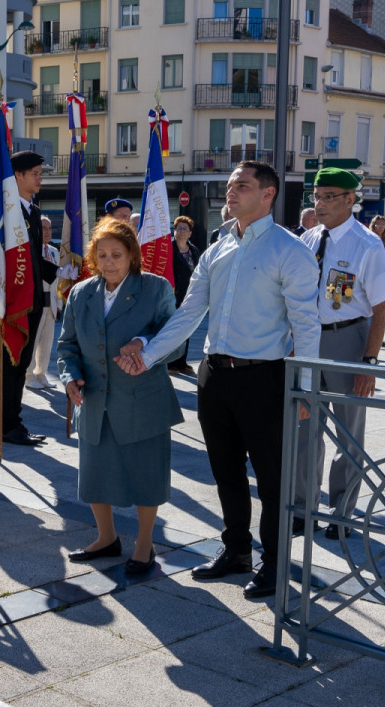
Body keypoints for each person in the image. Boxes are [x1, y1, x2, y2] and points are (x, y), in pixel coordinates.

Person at [117, 162, 320, 599]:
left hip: (265, 377)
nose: (231, 191)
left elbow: (306, 323)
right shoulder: (217, 249)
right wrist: (149, 354)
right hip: (216, 375)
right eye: (229, 185)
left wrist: (306, 384)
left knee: (271, 478)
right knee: (225, 473)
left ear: (268, 194)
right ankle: (237, 551)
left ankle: (274, 563)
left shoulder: (290, 251)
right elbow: (189, 313)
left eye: (242, 185)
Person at [58, 217, 182, 574]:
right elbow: (66, 346)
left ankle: (144, 545)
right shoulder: (81, 293)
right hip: (95, 400)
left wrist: (143, 343)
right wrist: (70, 378)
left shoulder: (155, 289)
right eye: (103, 254)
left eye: (117, 254)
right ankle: (106, 538)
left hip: (143, 401)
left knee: (146, 475)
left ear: (132, 256)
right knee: (95, 474)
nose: (109, 261)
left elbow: (175, 344)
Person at [293, 168, 385, 540]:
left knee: (348, 434)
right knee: (305, 429)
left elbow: (383, 306)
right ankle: (303, 510)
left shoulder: (366, 244)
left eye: (328, 197)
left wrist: (369, 361)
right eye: (316, 197)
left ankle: (342, 511)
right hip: (308, 341)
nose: (319, 204)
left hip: (349, 339)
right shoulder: (307, 239)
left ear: (350, 200)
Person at [0, 150, 58, 447]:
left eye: (40, 173)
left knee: (21, 366)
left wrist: (62, 271)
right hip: (13, 302)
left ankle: (13, 420)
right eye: (34, 173)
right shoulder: (6, 211)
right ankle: (8, 424)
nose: (39, 178)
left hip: (34, 299)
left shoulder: (33, 212)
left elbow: (34, 257)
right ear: (18, 176)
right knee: (12, 363)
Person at [26, 215, 60, 390]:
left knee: (47, 343)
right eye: (43, 228)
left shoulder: (54, 251)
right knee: (33, 340)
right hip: (36, 303)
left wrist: (59, 304)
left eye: (49, 228)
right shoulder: (31, 250)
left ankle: (41, 373)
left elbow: (58, 282)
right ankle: (29, 375)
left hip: (51, 304)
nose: (47, 232)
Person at [166, 215, 199, 375]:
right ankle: (170, 362)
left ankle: (182, 362)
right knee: (172, 329)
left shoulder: (193, 250)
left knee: (186, 329)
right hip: (172, 294)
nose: (180, 231)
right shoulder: (168, 248)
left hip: (189, 294)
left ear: (190, 233)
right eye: (177, 228)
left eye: (184, 228)